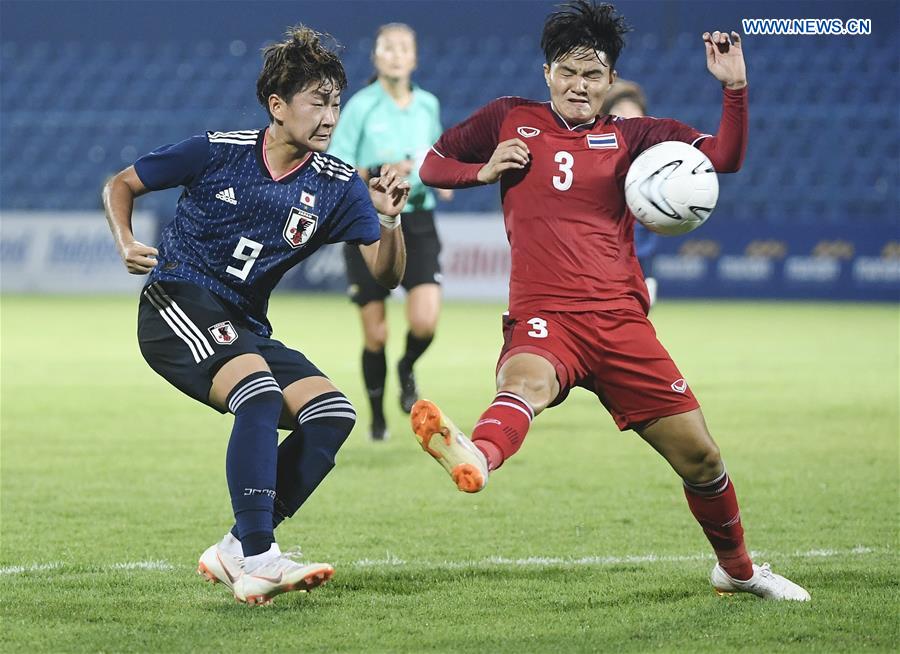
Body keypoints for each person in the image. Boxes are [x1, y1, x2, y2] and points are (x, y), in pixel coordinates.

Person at [410, 1, 810, 601]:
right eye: (568, 72)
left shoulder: (636, 137)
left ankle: (738, 569)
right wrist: (483, 171)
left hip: (622, 322)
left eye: (592, 75)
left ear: (609, 81)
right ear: (547, 72)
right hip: (546, 316)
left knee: (701, 459)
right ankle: (478, 457)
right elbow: (434, 164)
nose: (579, 85)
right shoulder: (508, 118)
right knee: (523, 387)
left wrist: (736, 89)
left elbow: (724, 158)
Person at [102, 25, 409, 606]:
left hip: (244, 324)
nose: (329, 116)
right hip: (176, 300)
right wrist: (124, 240)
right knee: (260, 394)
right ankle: (262, 558)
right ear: (277, 105)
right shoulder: (217, 150)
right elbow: (122, 183)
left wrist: (392, 220)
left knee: (332, 415)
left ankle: (235, 547)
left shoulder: (339, 186)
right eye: (317, 102)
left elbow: (386, 274)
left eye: (336, 103)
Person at [329, 22, 452, 441]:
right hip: (368, 222)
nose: (397, 54)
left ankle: (407, 367)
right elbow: (339, 168)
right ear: (376, 57)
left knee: (425, 323)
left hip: (418, 220)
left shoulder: (428, 105)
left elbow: (436, 161)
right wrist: (378, 175)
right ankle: (378, 419)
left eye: (404, 48)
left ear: (414, 58)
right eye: (389, 48)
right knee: (376, 333)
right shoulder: (361, 106)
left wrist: (442, 178)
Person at [599, 79, 659, 306]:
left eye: (633, 111)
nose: (628, 116)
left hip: (638, 267)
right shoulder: (594, 157)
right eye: (620, 112)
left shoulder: (656, 160)